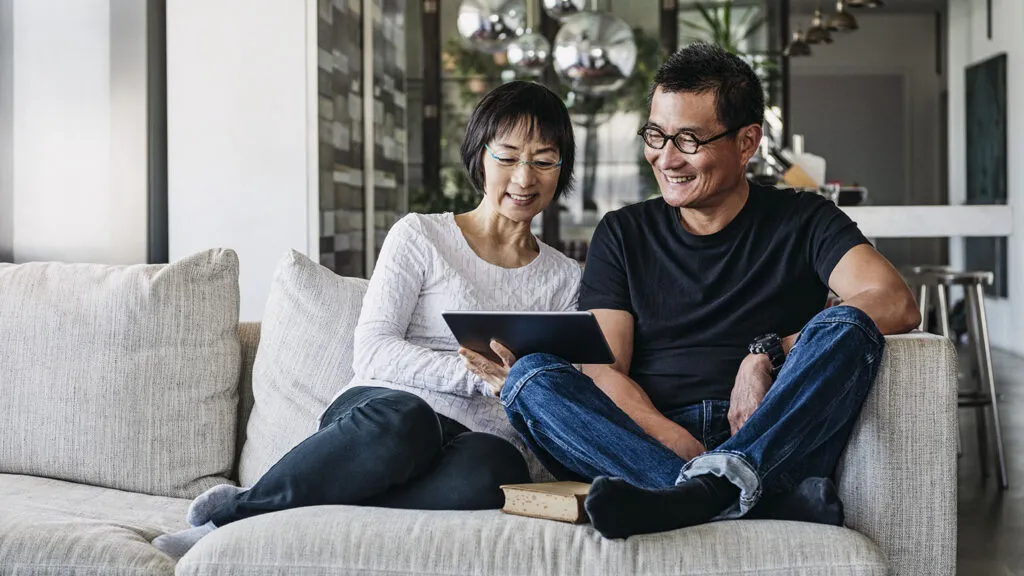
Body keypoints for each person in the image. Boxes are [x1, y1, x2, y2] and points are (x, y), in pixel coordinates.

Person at [463, 43, 921, 539]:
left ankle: (689, 497)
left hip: (772, 426)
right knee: (530, 378)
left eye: (688, 140)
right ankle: (740, 495)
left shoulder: (805, 220)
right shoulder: (623, 232)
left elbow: (894, 301)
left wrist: (767, 353)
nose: (666, 157)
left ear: (747, 142)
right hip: (648, 439)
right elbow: (605, 368)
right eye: (656, 135)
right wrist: (670, 437)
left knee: (849, 324)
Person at [152, 80, 582, 559]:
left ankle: (306, 511)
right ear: (480, 156)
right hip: (381, 417)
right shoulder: (420, 236)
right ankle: (232, 518)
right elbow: (373, 348)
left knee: (494, 469)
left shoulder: (565, 279)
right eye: (507, 156)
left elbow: (555, 381)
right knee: (410, 420)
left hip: (471, 443)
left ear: (560, 170)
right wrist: (478, 376)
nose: (524, 177)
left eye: (544, 160)